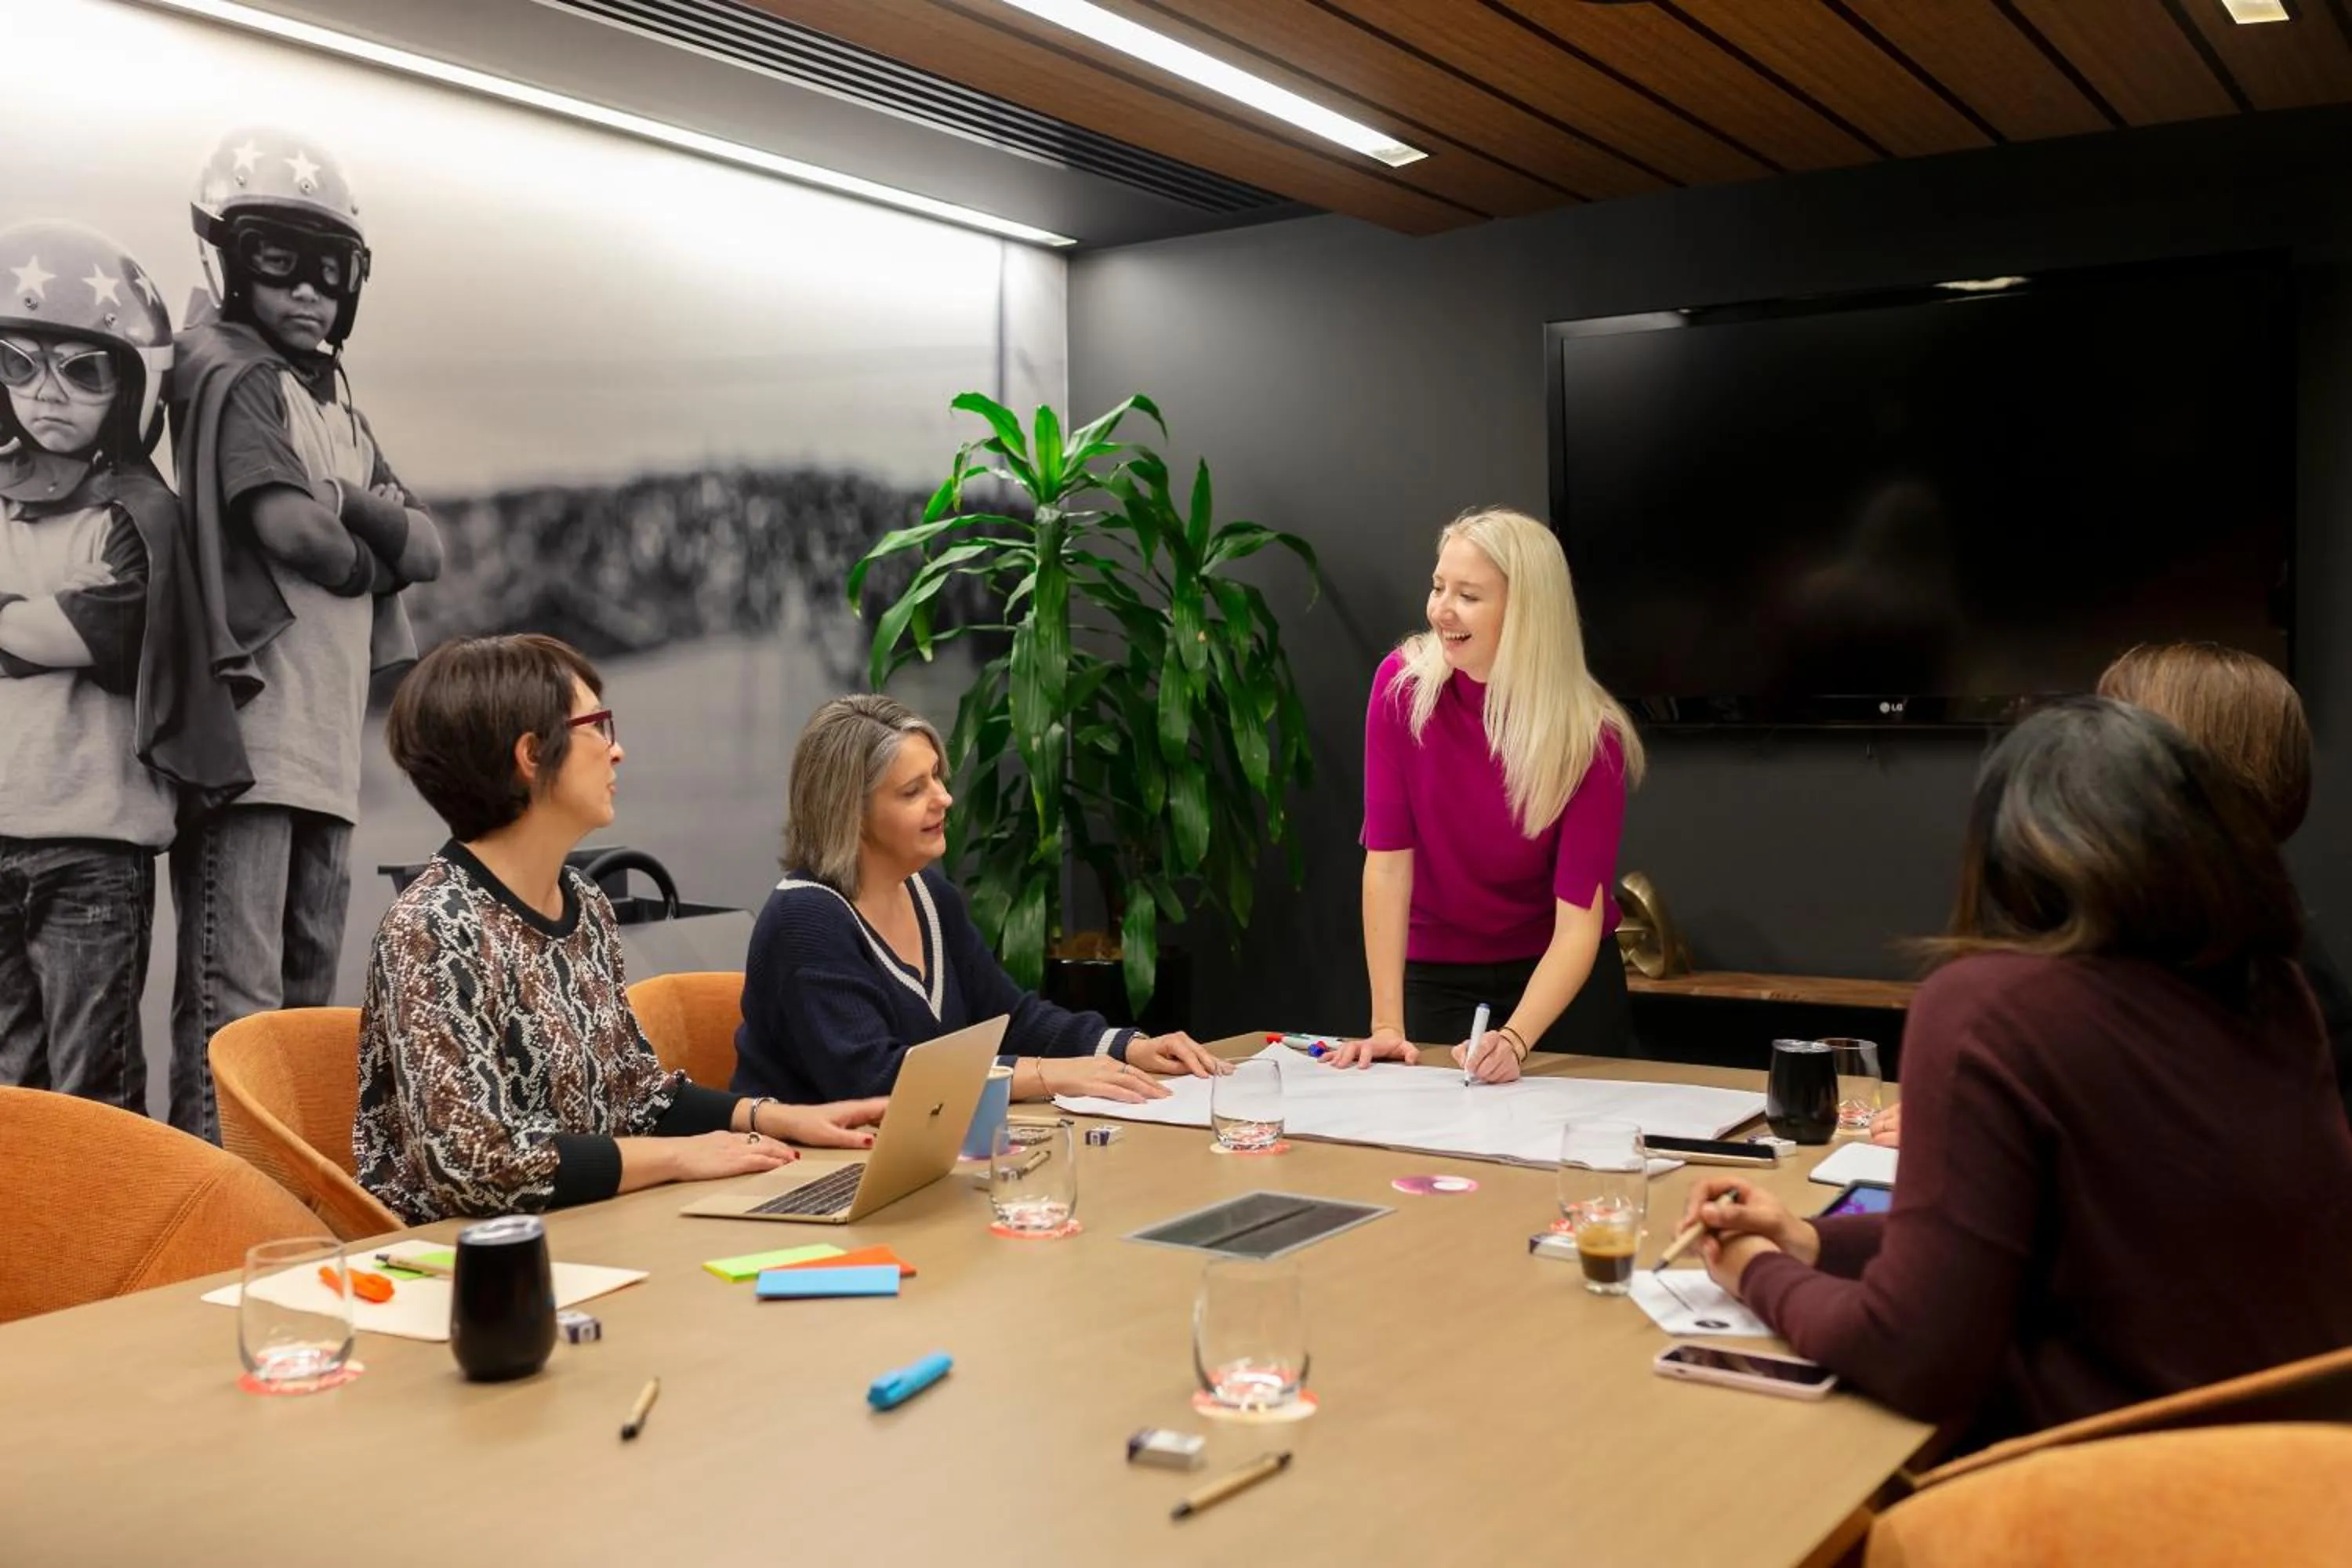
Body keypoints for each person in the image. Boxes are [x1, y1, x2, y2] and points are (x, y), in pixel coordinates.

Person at [1680, 699, 2352, 1445]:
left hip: (2110, 1496)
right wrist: (1810, 1242)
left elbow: (1914, 1355)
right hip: (2306, 1481)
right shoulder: (2275, 994)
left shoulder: (1987, 1010)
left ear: (2007, 857)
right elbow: (2033, 1240)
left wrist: (1754, 1272)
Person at [354, 634, 886, 1225]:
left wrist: (774, 1116)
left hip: (590, 1228)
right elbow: (480, 1169)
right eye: (598, 725)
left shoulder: (583, 901)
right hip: (466, 1269)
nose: (617, 751)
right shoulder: (432, 926)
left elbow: (635, 1097)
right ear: (532, 755)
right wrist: (680, 1158)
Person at [167, 126, 445, 1142]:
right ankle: (212, 1209)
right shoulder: (239, 377)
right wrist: (358, 523)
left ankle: (280, 1196)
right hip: (249, 745)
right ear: (229, 261)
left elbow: (430, 550)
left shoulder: (333, 402)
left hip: (320, 751)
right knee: (235, 1009)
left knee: (299, 1000)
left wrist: (347, 507)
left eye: (329, 277)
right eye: (277, 265)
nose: (308, 296)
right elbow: (301, 538)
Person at [1872, 640, 2351, 1144]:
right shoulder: (2204, 948)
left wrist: (1980, 1128)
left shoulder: (2271, 987)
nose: (2079, 753)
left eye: (2106, 728)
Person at [0, 220, 238, 1112]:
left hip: (94, 840)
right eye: (20, 364)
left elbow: (101, 633)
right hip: (2, 824)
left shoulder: (140, 512)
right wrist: (33, 622)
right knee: (12, 1087)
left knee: (92, 1084)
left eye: (83, 368)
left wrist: (33, 623)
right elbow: (52, 627)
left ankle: (107, 1251)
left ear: (130, 378)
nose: (45, 393)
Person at [731, 694, 1229, 1106]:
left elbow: (1010, 1020)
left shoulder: (932, 897)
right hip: (802, 1175)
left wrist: (1126, 1047)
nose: (944, 799)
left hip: (909, 1162)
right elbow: (875, 1077)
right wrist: (1048, 1077)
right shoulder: (806, 918)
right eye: (913, 790)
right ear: (850, 813)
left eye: (937, 777)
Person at [1325, 506, 1644, 1079]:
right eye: (1438, 586)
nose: (1441, 609)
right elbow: (1388, 865)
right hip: (1436, 970)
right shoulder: (1400, 689)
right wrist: (1386, 1028)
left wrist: (1516, 1040)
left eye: (1468, 595)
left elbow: (1577, 926)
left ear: (1526, 613)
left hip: (1558, 980)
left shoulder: (1591, 737)